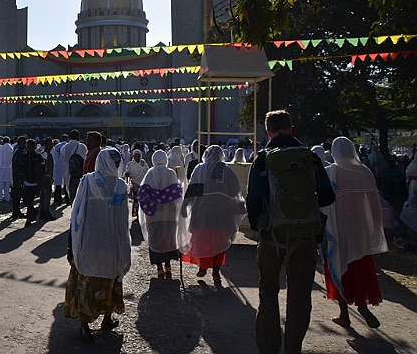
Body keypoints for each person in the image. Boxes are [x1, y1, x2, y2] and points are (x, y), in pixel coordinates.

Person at [248, 110, 336, 354]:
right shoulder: (310, 158)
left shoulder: (263, 158)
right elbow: (328, 196)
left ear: (268, 131)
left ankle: (268, 347)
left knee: (268, 291)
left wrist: (259, 227)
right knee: (299, 295)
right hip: (306, 235)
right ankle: (293, 348)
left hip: (272, 236)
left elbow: (253, 199)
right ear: (290, 128)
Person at [64, 148, 130, 343]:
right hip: (111, 246)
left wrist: (71, 245)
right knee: (110, 282)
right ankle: (107, 318)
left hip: (88, 244)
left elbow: (76, 217)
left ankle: (85, 326)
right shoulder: (120, 186)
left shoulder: (87, 182)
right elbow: (122, 222)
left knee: (85, 284)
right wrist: (123, 248)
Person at [321, 137, 387, 329]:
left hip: (339, 227)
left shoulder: (332, 172)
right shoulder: (365, 172)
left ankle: (344, 314)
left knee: (340, 263)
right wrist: (375, 225)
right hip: (360, 228)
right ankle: (362, 305)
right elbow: (375, 202)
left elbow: (323, 200)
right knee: (359, 265)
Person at [179, 145, 245, 284]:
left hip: (202, 210)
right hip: (222, 211)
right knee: (220, 240)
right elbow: (235, 191)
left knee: (203, 239)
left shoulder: (200, 169)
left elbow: (193, 189)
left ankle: (203, 267)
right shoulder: (227, 170)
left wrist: (185, 206)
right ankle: (216, 272)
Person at [137, 150, 183, 280]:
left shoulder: (149, 174)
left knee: (155, 238)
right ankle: (168, 265)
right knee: (168, 238)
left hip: (154, 215)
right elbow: (177, 193)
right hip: (169, 213)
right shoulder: (170, 173)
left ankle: (159, 268)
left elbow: (142, 194)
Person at [125, 149, 148, 218]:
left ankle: (142, 213)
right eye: (135, 156)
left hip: (143, 182)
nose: (137, 157)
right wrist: (127, 174)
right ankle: (136, 212)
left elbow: (147, 171)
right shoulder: (130, 164)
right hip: (134, 183)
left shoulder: (143, 163)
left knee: (143, 198)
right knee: (136, 198)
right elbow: (127, 172)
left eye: (138, 156)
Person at [11, 136, 28, 219]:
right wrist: (20, 178)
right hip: (18, 177)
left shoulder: (21, 151)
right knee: (17, 195)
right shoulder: (19, 153)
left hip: (19, 176)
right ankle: (16, 211)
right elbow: (18, 167)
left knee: (18, 195)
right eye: (23, 143)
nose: (25, 144)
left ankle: (16, 211)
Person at [0, 136, 12, 202]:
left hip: (0, 168)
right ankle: (7, 197)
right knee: (7, 184)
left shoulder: (1, 148)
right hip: (8, 168)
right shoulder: (11, 148)